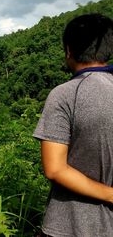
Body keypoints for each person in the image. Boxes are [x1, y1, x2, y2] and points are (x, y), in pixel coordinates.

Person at [33, 13, 113, 237]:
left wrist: (110, 195)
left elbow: (55, 169)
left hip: (69, 226)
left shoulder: (64, 94)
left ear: (69, 50)